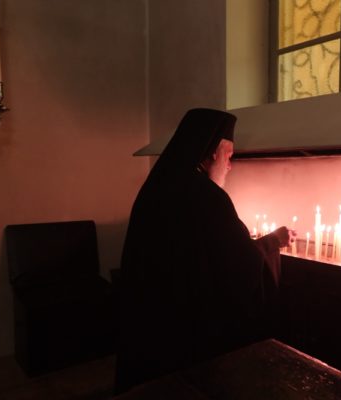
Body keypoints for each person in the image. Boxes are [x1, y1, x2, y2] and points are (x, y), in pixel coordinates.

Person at [114, 108, 295, 394]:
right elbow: (239, 262)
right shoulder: (207, 197)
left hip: (153, 319)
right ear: (211, 153)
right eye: (229, 156)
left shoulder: (159, 184)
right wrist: (273, 240)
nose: (230, 166)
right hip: (186, 331)